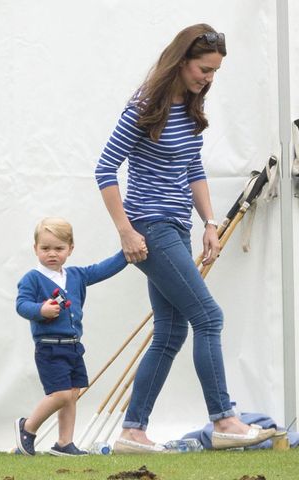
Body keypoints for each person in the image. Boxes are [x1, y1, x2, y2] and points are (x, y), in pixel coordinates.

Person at [95, 24, 276, 452]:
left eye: (214, 72)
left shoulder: (190, 108)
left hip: (177, 226)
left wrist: (210, 223)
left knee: (170, 332)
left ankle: (132, 432)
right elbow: (105, 170)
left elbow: (193, 170)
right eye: (203, 69)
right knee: (209, 318)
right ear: (181, 61)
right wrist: (126, 232)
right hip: (150, 228)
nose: (208, 78)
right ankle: (224, 420)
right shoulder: (143, 108)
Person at [15, 217, 127, 456]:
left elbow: (103, 269)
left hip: (74, 347)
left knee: (72, 394)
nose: (52, 254)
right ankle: (28, 426)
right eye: (45, 248)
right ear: (35, 248)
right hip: (49, 347)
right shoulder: (32, 278)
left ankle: (64, 443)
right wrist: (40, 310)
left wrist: (127, 253)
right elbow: (22, 305)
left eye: (59, 248)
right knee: (61, 394)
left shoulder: (76, 275)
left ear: (70, 249)